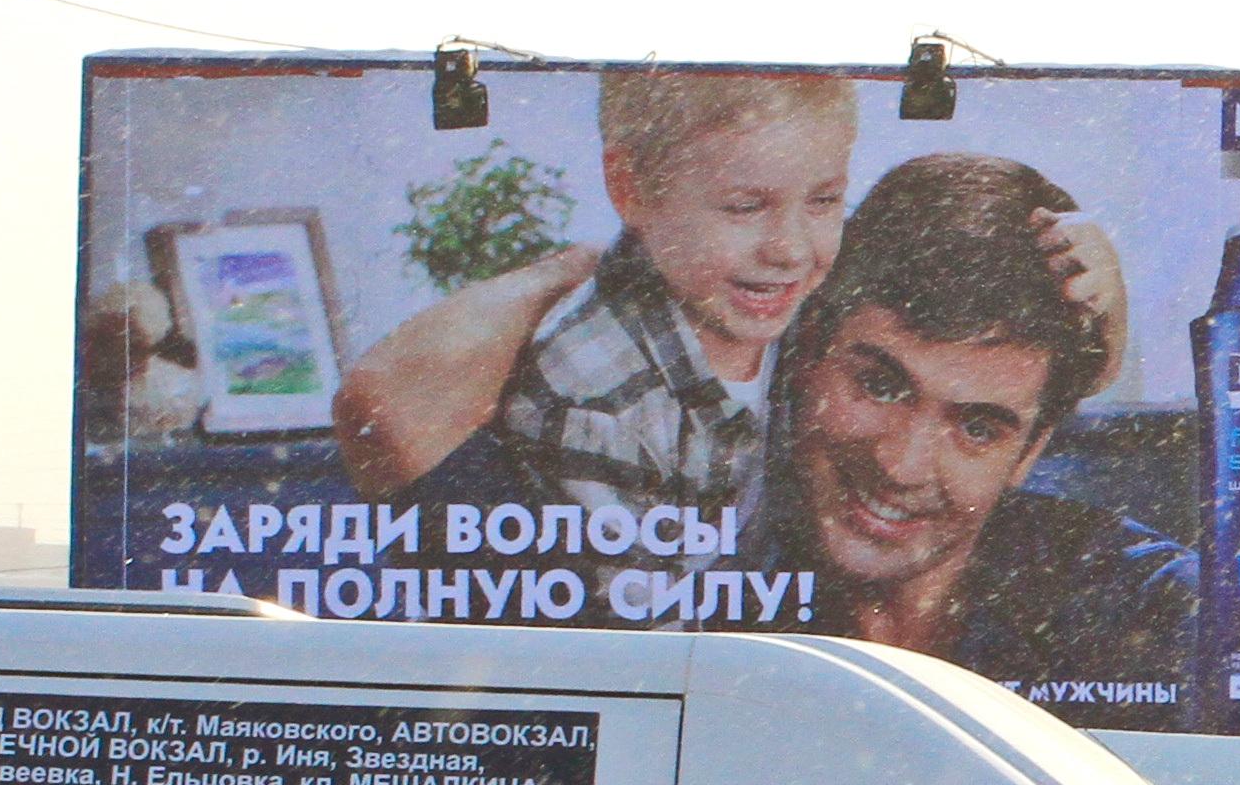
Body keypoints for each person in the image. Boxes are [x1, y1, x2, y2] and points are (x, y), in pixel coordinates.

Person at [331, 69, 1122, 523]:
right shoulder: (602, 403)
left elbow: (1046, 379)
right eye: (745, 207)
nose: (790, 248)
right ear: (629, 188)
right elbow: (650, 646)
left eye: (823, 201)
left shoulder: (781, 300)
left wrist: (1104, 297)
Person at [735, 153, 1183, 710]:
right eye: (879, 386)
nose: (902, 466)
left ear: (1030, 452)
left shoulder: (1136, 596)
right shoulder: (697, 555)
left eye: (976, 427)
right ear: (806, 362)